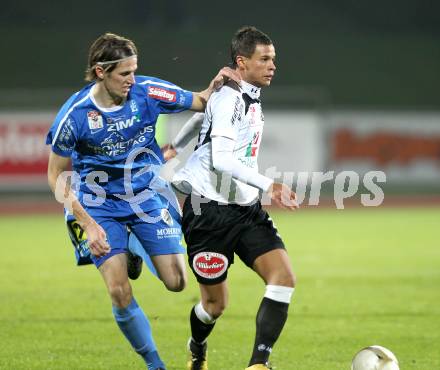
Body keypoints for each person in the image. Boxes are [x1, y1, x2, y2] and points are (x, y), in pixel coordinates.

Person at [46, 32, 239, 370]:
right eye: (124, 74)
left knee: (177, 283)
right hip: (99, 204)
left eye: (134, 71)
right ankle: (155, 365)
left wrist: (216, 85)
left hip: (145, 196)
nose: (132, 80)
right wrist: (87, 224)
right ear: (100, 72)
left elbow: (201, 100)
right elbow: (56, 176)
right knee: (119, 291)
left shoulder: (148, 91)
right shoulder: (74, 116)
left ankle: (134, 247)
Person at [170, 26, 298, 370]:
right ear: (242, 62)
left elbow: (203, 116)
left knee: (283, 278)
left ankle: (258, 364)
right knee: (214, 306)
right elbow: (221, 159)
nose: (273, 65)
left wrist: (175, 146)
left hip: (245, 211)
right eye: (265, 59)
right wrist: (269, 184)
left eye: (274, 59)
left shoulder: (242, 93)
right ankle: (197, 346)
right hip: (209, 214)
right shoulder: (231, 98)